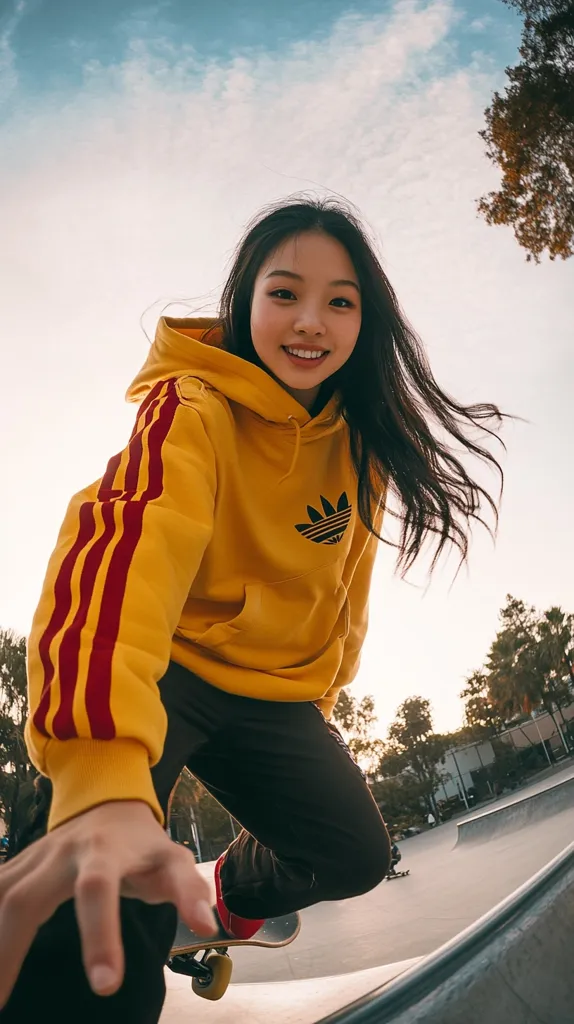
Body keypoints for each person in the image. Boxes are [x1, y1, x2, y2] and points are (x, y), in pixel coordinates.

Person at [0, 196, 506, 1022]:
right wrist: (104, 788)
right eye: (284, 293)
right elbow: (123, 561)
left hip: (269, 696)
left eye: (339, 301)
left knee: (353, 854)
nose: (310, 322)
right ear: (246, 302)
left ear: (363, 322)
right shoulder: (192, 409)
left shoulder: (362, 441)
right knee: (100, 875)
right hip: (163, 667)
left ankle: (227, 892)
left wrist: (321, 700)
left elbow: (342, 592)